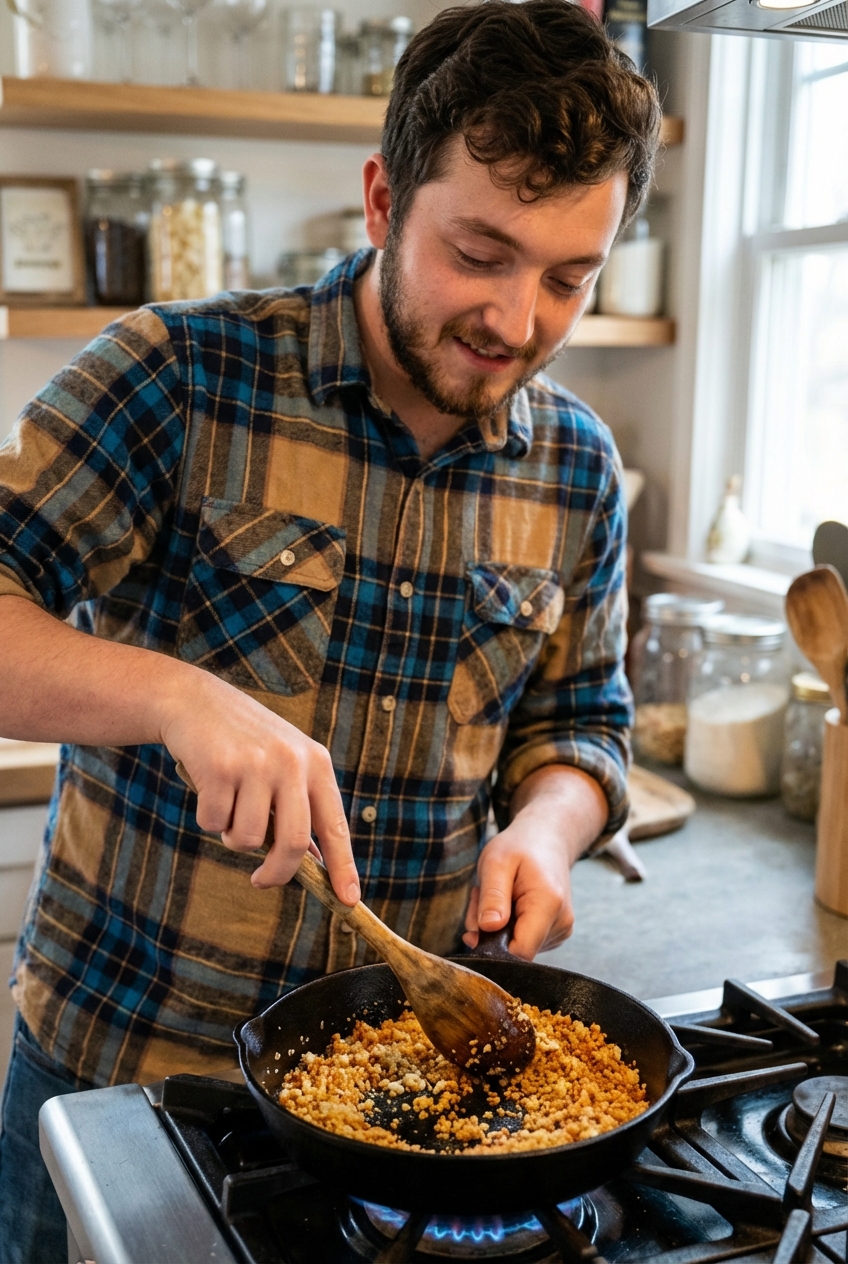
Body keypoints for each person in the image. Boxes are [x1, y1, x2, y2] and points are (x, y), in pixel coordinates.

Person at [0, 2, 660, 1257]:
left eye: (567, 277)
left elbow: (581, 725)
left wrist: (548, 829)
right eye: (479, 252)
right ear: (379, 199)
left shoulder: (575, 467)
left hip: (400, 1104)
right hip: (125, 1080)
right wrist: (176, 698)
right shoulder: (178, 376)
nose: (517, 320)